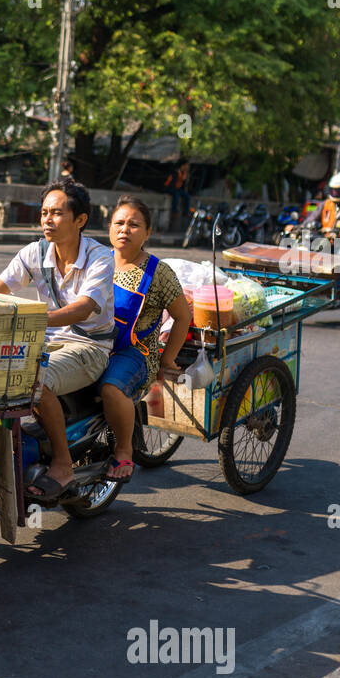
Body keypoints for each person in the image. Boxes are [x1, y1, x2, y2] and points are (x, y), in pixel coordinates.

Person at [0, 181, 115, 502]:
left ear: (80, 220)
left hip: (89, 347)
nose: (47, 220)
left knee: (33, 381)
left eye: (57, 213)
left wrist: (33, 319)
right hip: (46, 340)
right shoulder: (35, 252)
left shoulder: (100, 258)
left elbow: (83, 308)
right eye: (44, 213)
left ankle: (63, 464)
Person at [99, 196, 192, 482]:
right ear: (110, 228)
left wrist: (167, 359)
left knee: (111, 389)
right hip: (95, 345)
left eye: (134, 225)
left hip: (136, 354)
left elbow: (183, 316)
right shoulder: (98, 261)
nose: (125, 229)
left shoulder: (157, 272)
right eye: (119, 223)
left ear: (148, 233)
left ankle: (124, 450)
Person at [163, 157, 190, 229]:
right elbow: (171, 184)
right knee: (176, 196)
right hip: (170, 188)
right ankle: (174, 211)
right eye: (186, 165)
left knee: (187, 196)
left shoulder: (184, 174)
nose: (187, 167)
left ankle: (186, 212)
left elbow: (182, 186)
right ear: (183, 165)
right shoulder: (175, 172)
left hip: (177, 189)